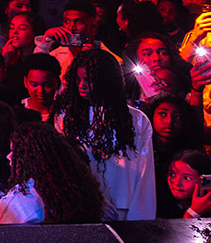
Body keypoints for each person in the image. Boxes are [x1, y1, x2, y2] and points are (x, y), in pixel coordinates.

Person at [52, 49, 156, 220]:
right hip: (82, 208)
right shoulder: (65, 118)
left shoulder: (136, 119)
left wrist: (140, 220)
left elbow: (145, 173)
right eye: (77, 79)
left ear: (107, 81)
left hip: (123, 209)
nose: (81, 85)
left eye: (89, 80)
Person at [0, 120, 106, 225]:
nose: (9, 156)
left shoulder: (24, 200)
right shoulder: (82, 188)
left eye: (15, 152)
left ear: (29, 158)